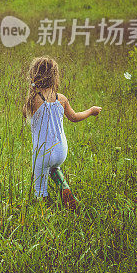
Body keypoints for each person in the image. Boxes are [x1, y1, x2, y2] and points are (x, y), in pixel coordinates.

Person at [23, 56, 101, 210]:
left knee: (39, 188)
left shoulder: (32, 100)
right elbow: (74, 117)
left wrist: (32, 89)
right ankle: (64, 186)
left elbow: (25, 115)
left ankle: (44, 210)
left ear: (34, 76)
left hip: (43, 152)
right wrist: (91, 111)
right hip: (61, 151)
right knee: (53, 167)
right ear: (54, 77)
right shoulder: (62, 99)